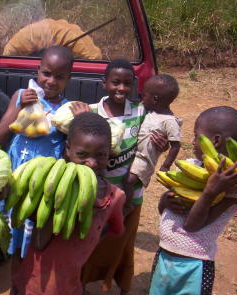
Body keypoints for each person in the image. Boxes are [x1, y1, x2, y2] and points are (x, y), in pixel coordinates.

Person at [11, 112, 126, 295]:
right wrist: (58, 201)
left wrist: (88, 234)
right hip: (33, 284)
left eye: (101, 155)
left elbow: (115, 228)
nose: (91, 163)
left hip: (70, 285)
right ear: (67, 149)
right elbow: (40, 241)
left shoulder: (115, 197)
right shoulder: (51, 187)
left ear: (110, 153)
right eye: (82, 154)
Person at [80, 59, 167, 294]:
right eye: (115, 82)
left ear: (134, 85)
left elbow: (153, 142)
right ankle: (83, 283)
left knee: (121, 244)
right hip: (96, 195)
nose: (121, 88)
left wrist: (162, 143)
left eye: (127, 83)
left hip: (130, 195)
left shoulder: (142, 113)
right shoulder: (91, 111)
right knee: (90, 242)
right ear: (104, 83)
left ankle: (114, 285)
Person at [149, 106, 237, 295]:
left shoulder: (235, 187)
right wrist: (165, 200)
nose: (193, 142)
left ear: (215, 140)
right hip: (164, 255)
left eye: (196, 136)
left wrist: (210, 192)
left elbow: (192, 225)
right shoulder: (191, 167)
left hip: (194, 266)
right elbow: (164, 210)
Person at [0, 45, 74, 258]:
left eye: (60, 77)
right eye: (46, 74)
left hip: (41, 184)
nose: (51, 81)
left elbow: (70, 153)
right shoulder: (22, 96)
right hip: (16, 176)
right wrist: (19, 107)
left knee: (34, 237)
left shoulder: (66, 111)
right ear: (38, 70)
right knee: (12, 230)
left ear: (69, 78)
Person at [124, 74, 182, 205]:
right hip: (132, 155)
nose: (141, 98)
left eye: (144, 95)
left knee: (128, 181)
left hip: (144, 159)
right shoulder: (150, 111)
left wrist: (165, 166)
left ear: (155, 99)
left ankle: (127, 204)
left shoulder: (170, 121)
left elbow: (176, 146)